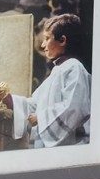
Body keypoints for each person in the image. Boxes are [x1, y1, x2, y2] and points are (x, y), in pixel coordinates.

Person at [12, 14, 92, 147]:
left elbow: (74, 107)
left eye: (47, 38)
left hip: (71, 145)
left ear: (62, 40)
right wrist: (9, 100)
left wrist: (40, 118)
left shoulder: (74, 67)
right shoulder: (57, 71)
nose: (43, 45)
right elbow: (35, 104)